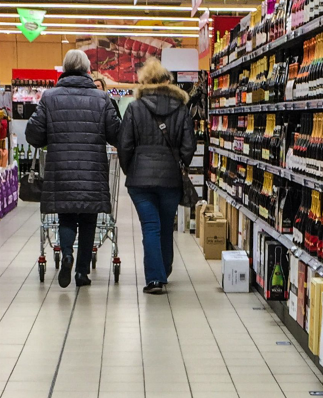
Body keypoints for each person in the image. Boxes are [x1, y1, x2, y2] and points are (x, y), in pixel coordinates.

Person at [26, 49, 120, 288]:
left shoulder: (49, 97)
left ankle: (67, 253)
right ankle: (81, 273)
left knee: (66, 215)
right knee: (89, 221)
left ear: (65, 69)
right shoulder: (101, 98)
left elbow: (33, 134)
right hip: (92, 170)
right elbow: (115, 134)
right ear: (88, 70)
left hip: (61, 169)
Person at [117, 59, 196, 294]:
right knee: (164, 226)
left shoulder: (134, 108)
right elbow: (188, 146)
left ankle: (155, 279)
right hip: (170, 178)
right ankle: (164, 270)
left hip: (140, 180)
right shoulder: (181, 109)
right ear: (167, 82)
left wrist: (130, 169)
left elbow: (124, 145)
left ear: (144, 82)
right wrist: (180, 164)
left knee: (150, 226)